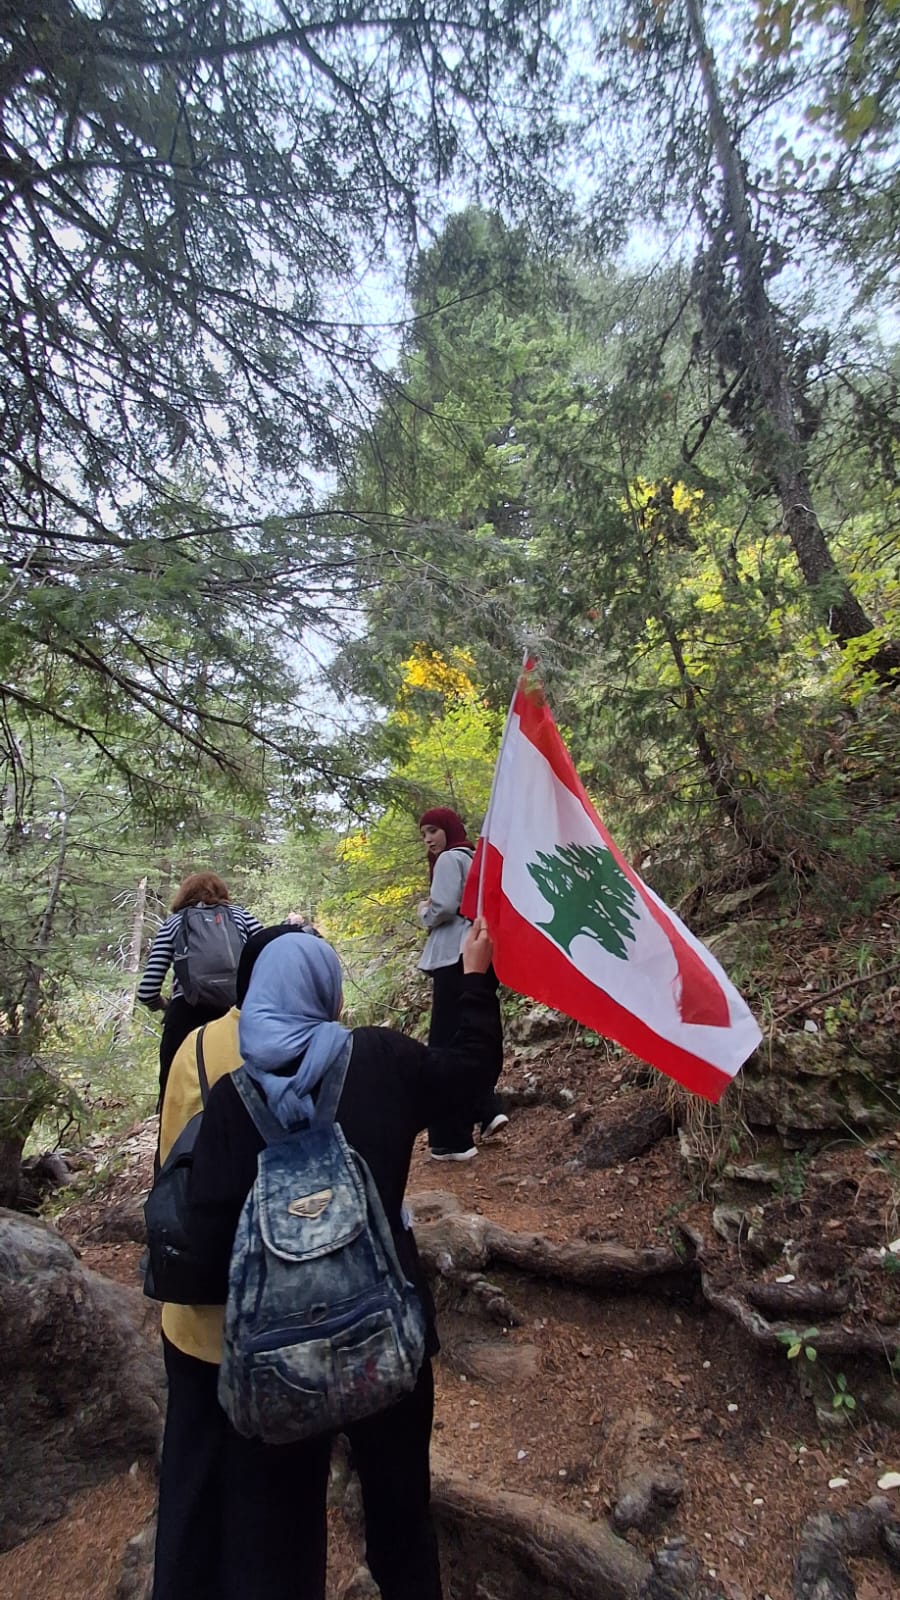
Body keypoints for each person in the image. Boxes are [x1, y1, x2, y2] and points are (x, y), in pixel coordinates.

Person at [152, 918, 502, 1600]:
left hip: (279, 1364)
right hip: (389, 1345)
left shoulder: (229, 1101)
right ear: (326, 992)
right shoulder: (382, 1059)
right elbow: (469, 1077)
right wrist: (475, 977)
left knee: (279, 1545)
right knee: (404, 1525)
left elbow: (205, 1241)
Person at [418, 807, 507, 1161]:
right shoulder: (475, 859)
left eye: (433, 830)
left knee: (444, 1044)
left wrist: (422, 911)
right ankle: (486, 1107)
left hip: (452, 958)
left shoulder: (448, 861)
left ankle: (451, 1139)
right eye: (424, 834)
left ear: (449, 830)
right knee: (473, 1036)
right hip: (480, 954)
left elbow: (441, 906)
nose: (428, 839)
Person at [137, 871, 262, 1094]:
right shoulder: (241, 916)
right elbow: (268, 953)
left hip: (185, 1015)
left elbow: (147, 990)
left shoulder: (174, 923)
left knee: (175, 1094)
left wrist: (165, 1005)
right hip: (236, 1018)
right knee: (241, 1097)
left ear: (184, 895)